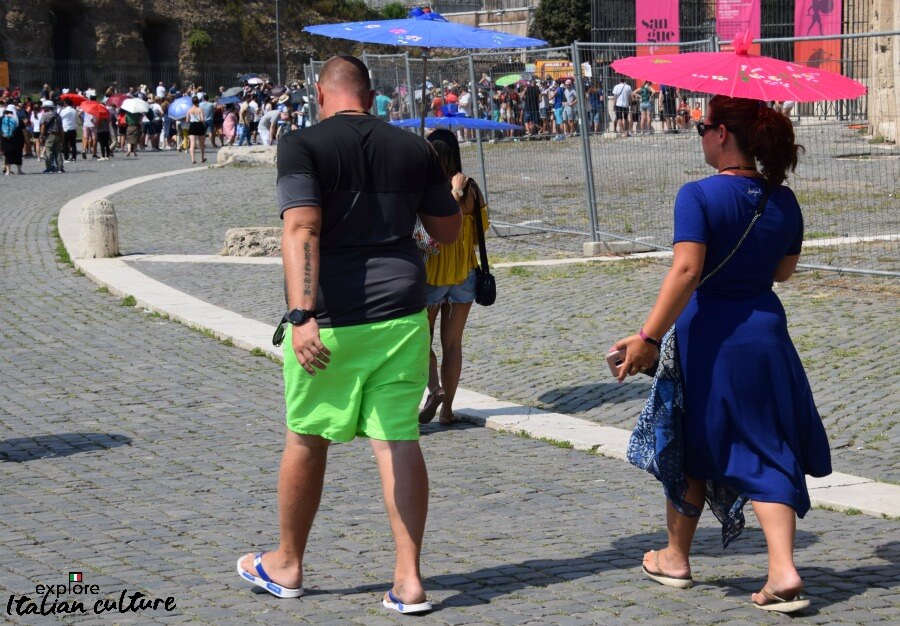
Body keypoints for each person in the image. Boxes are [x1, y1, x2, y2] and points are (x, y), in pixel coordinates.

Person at [236, 54, 461, 615]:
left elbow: (302, 226)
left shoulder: (303, 144)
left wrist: (301, 313)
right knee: (398, 440)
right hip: (403, 315)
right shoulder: (415, 148)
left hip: (332, 318)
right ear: (370, 94)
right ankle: (409, 580)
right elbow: (448, 230)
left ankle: (287, 563)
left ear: (321, 92)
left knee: (308, 438)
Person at [611, 96, 831, 614]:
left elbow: (686, 272)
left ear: (723, 136)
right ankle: (769, 565)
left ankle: (679, 557)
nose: (700, 135)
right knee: (769, 443)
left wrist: (646, 336)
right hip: (765, 335)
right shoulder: (786, 200)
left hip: (709, 337)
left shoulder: (698, 196)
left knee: (687, 437)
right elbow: (782, 273)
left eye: (702, 127)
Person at [417, 129, 487, 426]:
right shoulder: (471, 187)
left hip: (432, 274)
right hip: (464, 274)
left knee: (422, 340)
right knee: (453, 344)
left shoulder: (426, 188)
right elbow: (482, 228)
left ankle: (436, 390)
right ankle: (447, 411)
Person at [39, 100, 63, 173]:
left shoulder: (45, 115)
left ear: (47, 108)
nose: (43, 109)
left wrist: (41, 136)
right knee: (58, 152)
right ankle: (60, 167)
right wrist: (62, 138)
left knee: (49, 151)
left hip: (49, 135)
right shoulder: (58, 116)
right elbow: (61, 128)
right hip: (57, 135)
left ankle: (49, 167)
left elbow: (43, 126)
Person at [1, 104, 25, 175]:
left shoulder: (2, 118)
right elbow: (23, 130)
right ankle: (19, 170)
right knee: (18, 154)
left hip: (6, 139)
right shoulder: (18, 118)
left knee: (7, 155)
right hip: (17, 139)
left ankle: (8, 171)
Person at [185, 96, 207, 164]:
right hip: (199, 125)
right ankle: (202, 158)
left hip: (192, 125)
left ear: (192, 102)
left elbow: (187, 120)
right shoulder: (200, 109)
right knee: (201, 144)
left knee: (192, 143)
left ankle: (193, 159)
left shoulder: (189, 110)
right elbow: (202, 119)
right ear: (198, 102)